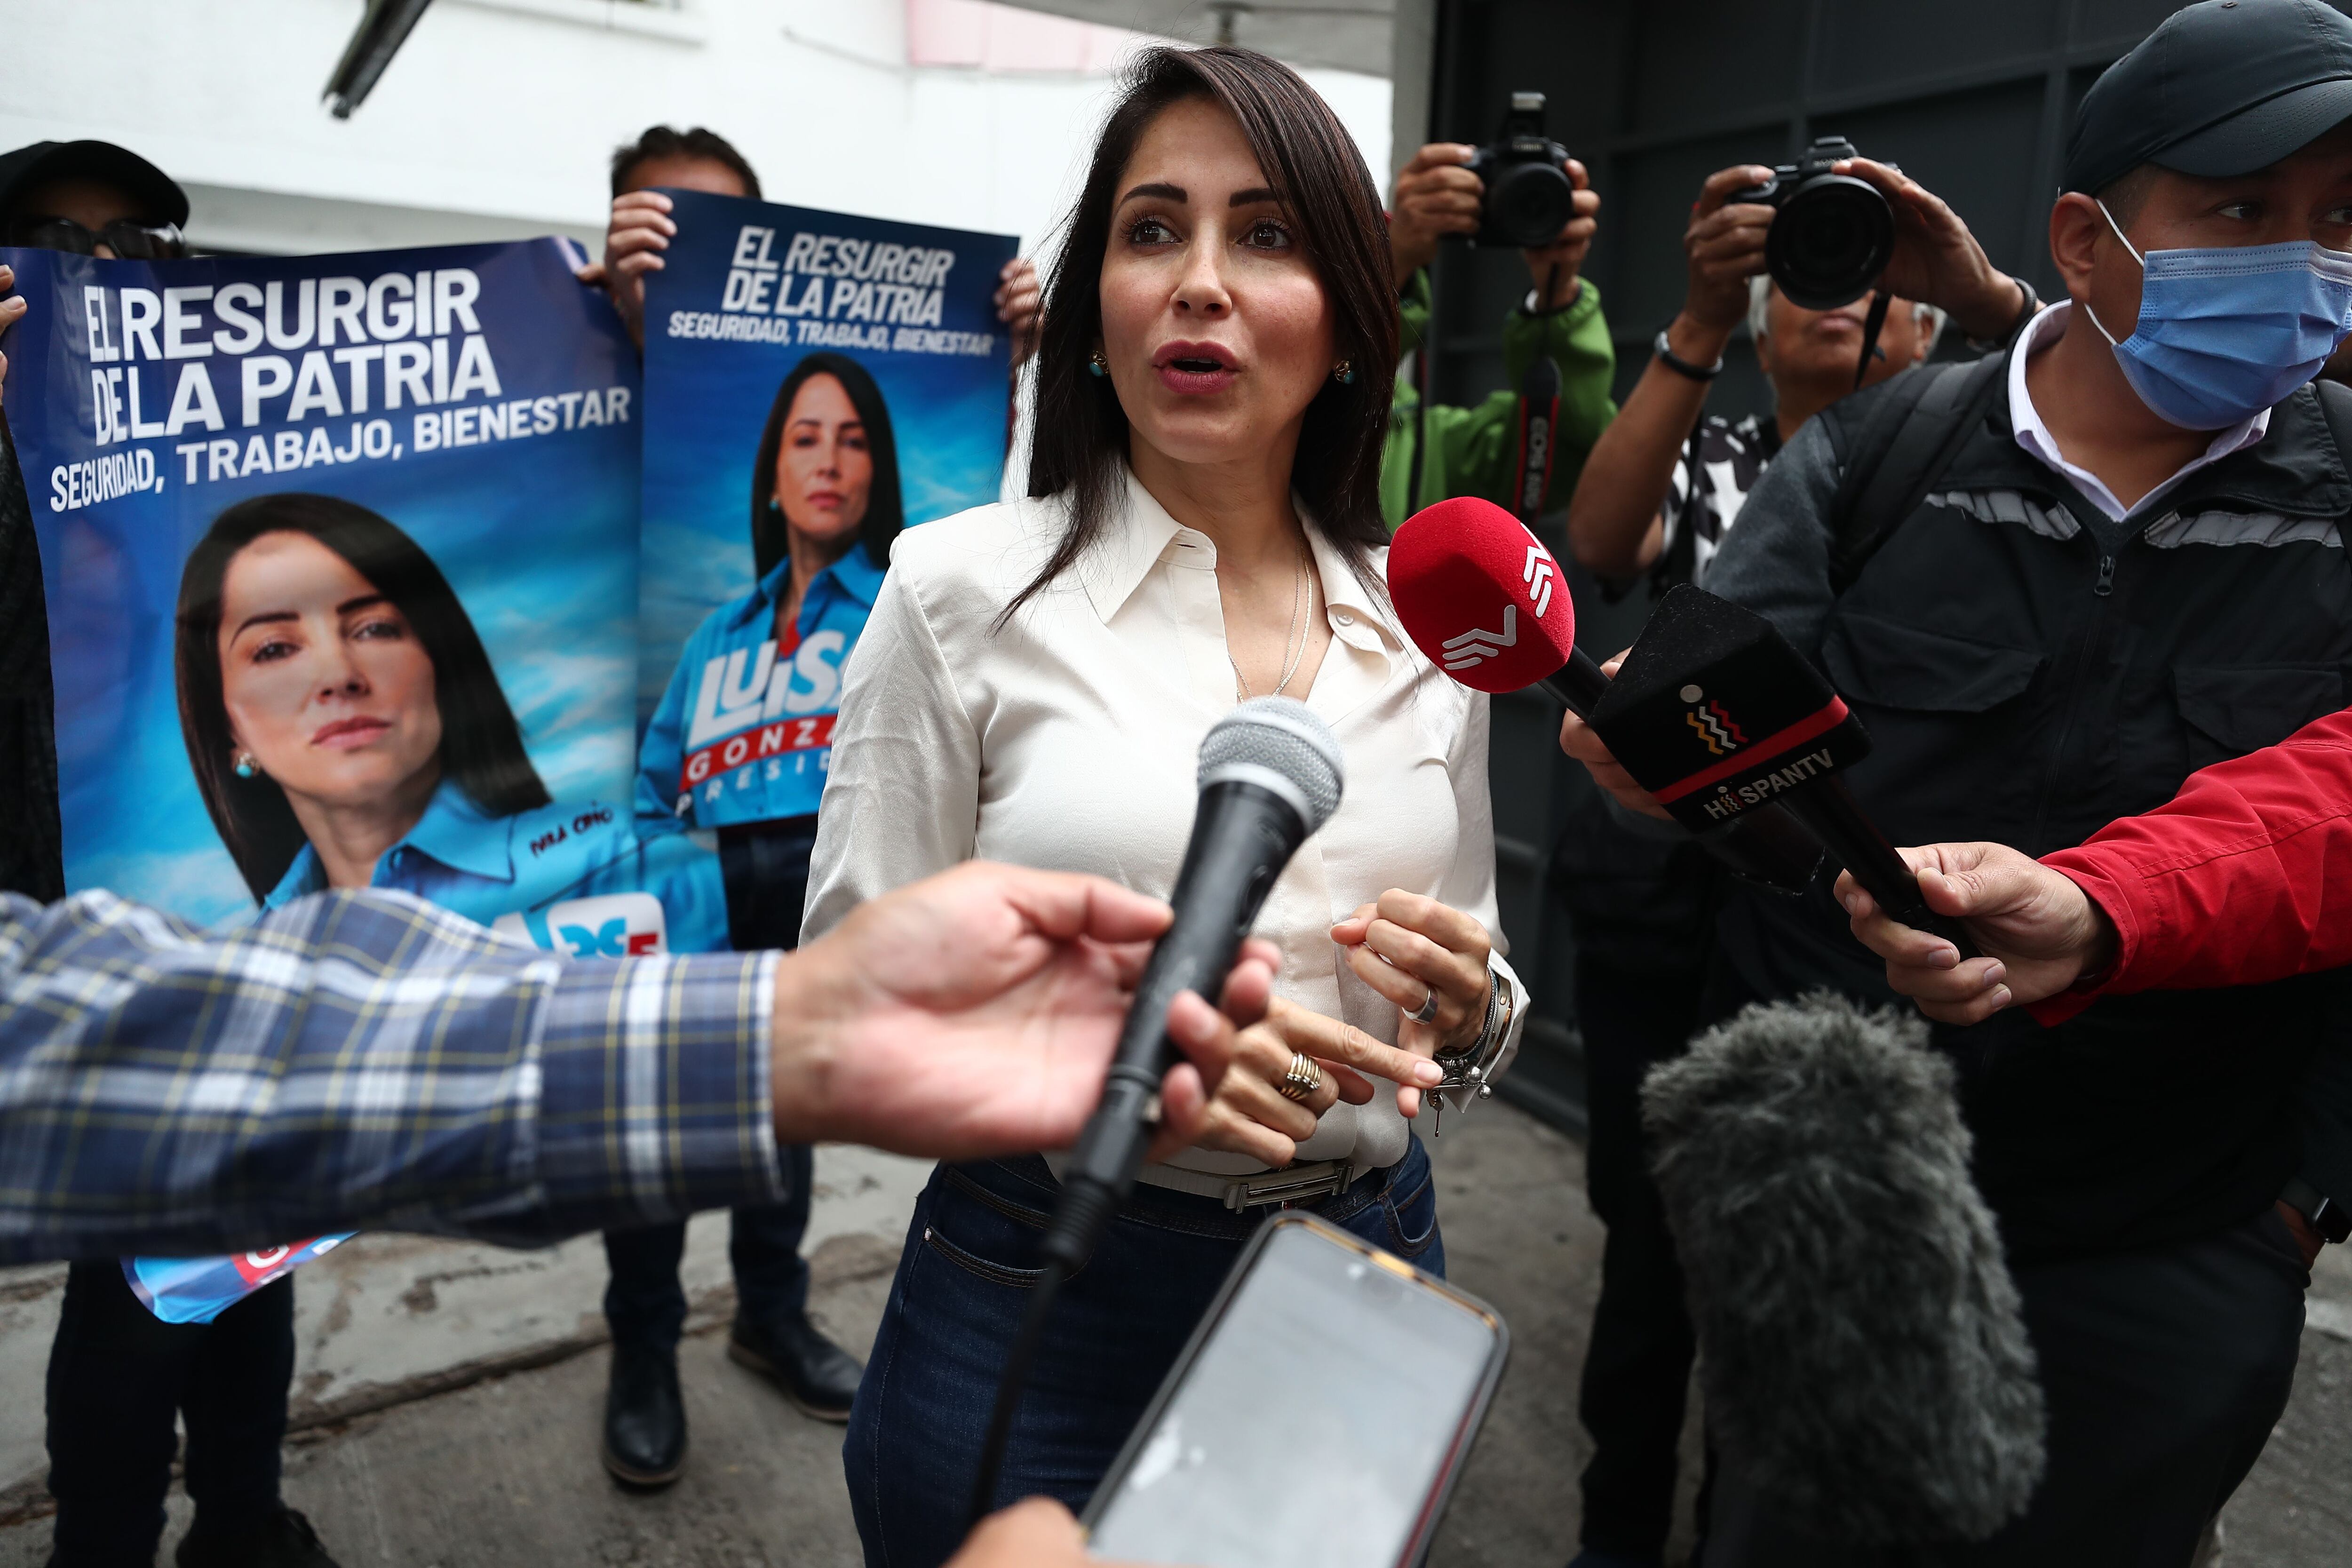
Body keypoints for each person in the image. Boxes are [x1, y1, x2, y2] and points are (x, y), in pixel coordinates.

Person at [1561, 2, 2352, 1558]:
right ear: (2086, 243)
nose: (2301, 261)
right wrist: (1666, 774)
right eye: (2243, 210)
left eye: (2339, 219)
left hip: (2184, 1237)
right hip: (1852, 1211)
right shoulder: (1882, 455)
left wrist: (2301, 1204)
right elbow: (1733, 783)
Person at [799, 45, 1529, 1568]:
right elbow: (845, 1016)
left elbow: (1478, 973)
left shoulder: (1425, 630)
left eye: (1265, 235)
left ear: (1348, 322)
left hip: (1364, 1261)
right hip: (1040, 1277)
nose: (1200, 282)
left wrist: (1475, 1011)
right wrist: (1125, 1056)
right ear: (1094, 317)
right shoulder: (955, 592)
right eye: (1152, 230)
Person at [1548, 153, 2026, 1568]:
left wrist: (1987, 296)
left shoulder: (1968, 480)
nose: (1839, 295)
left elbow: (2071, 386)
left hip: (1842, 920)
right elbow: (1599, 538)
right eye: (1803, 270)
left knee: (1799, 1240)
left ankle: (1737, 1528)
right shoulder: (1709, 451)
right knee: (1650, 1240)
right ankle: (1618, 1528)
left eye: (1876, 280)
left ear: (1932, 336)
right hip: (1667, 906)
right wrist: (1697, 318)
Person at [609, 350, 901, 1466]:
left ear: (877, 470)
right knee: (652, 1143)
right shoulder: (714, 637)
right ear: (772, 474)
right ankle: (643, 1347)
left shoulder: (901, 612)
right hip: (698, 928)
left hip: (819, 924)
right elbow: (648, 794)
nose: (829, 461)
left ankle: (769, 1317)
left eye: (854, 440)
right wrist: (682, 897)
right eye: (805, 438)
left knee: (783, 1130)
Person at [581, 123, 1041, 366]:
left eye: (713, 230)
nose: (683, 248)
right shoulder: (569, 332)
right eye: (659, 225)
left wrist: (986, 363)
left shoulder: (801, 350)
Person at [1378, 142, 1618, 525]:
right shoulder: (1309, 421)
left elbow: (1572, 452)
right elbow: (1333, 386)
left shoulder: (1430, 446)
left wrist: (1558, 293)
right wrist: (1395, 257)